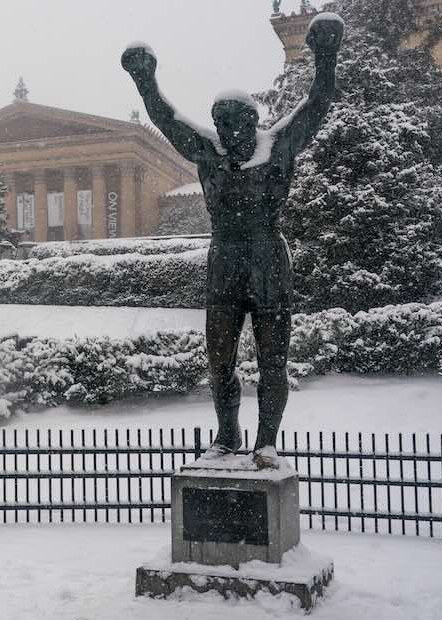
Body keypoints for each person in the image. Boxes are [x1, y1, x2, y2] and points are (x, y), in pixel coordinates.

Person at [121, 14, 343, 464]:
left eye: (233, 122)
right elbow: (166, 117)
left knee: (272, 360)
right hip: (224, 261)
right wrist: (144, 79)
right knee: (219, 359)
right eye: (219, 123)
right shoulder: (208, 153)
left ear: (252, 121)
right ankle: (227, 434)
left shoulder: (278, 146)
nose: (226, 131)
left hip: (268, 259)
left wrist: (326, 54)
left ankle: (266, 442)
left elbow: (317, 102)